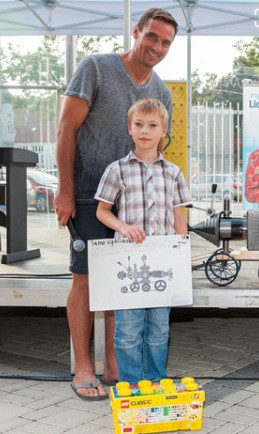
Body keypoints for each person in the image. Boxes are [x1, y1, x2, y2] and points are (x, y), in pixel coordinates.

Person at [54, 7, 178, 400]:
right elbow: (66, 128)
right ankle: (83, 366)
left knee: (123, 286)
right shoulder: (95, 68)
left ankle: (114, 366)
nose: (157, 47)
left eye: (166, 43)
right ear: (137, 32)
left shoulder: (161, 92)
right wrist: (65, 190)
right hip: (91, 195)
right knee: (87, 280)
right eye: (152, 37)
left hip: (135, 207)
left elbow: (161, 153)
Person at [95, 98, 190, 384]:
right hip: (128, 265)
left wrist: (182, 257)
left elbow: (179, 218)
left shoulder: (173, 172)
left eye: (152, 126)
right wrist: (123, 226)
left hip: (163, 264)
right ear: (129, 129)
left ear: (164, 131)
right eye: (139, 125)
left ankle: (156, 384)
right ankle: (133, 386)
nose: (145, 131)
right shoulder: (117, 170)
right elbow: (102, 211)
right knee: (127, 330)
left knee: (159, 329)